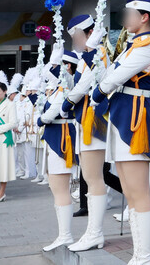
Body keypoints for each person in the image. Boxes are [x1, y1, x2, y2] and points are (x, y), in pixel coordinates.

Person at [91, 0, 150, 265]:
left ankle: (145, 256)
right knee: (130, 191)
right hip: (122, 115)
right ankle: (139, 254)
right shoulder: (132, 45)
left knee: (138, 190)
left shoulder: (146, 46)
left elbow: (113, 79)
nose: (125, 20)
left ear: (144, 17)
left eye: (130, 14)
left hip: (134, 119)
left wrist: (97, 92)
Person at [58, 13, 109, 251]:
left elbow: (85, 84)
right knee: (90, 177)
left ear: (88, 33)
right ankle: (92, 231)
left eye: (77, 35)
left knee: (93, 177)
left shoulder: (97, 53)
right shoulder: (88, 55)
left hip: (95, 118)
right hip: (86, 117)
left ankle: (95, 232)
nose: (75, 41)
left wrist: (67, 102)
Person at [39, 51, 81, 251]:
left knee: (60, 188)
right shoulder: (57, 88)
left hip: (62, 136)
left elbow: (50, 115)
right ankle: (63, 234)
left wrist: (42, 118)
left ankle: (65, 235)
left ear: (67, 67)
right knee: (56, 188)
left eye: (58, 65)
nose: (52, 68)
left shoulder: (66, 86)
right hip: (55, 135)